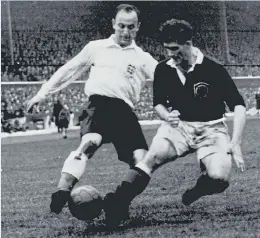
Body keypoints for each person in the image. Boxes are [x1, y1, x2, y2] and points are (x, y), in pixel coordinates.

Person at [103, 19, 246, 229]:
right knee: (151, 159)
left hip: (212, 130)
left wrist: (236, 143)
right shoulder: (163, 70)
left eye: (174, 49)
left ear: (188, 43)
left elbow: (239, 106)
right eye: (167, 49)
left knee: (220, 179)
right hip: (179, 128)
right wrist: (166, 116)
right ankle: (118, 203)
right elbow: (158, 103)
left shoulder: (213, 69)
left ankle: (200, 187)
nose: (170, 54)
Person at [27, 4, 157, 215]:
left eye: (131, 27)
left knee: (143, 161)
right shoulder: (96, 47)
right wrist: (42, 94)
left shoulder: (143, 58)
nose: (125, 32)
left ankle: (118, 201)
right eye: (121, 26)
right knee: (90, 143)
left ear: (138, 27)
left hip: (125, 112)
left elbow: (167, 80)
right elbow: (68, 70)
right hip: (99, 105)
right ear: (114, 24)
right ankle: (62, 191)